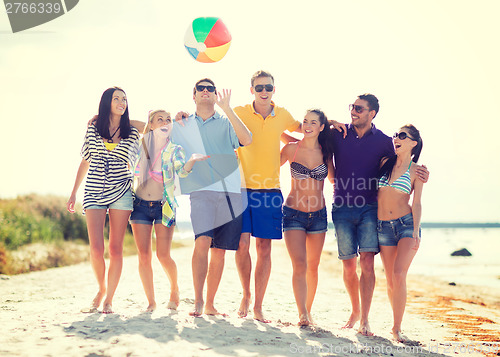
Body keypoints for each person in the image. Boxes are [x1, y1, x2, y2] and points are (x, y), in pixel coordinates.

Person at [327, 94, 429, 335]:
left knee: (377, 267)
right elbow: (314, 130)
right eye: (352, 107)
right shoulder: (338, 134)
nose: (354, 111)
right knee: (350, 266)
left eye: (359, 108)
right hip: (348, 209)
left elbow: (410, 183)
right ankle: (357, 311)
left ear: (372, 113)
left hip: (375, 213)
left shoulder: (384, 143)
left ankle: (374, 322)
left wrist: (421, 173)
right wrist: (330, 121)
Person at [173, 78, 252, 317]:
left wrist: (227, 108)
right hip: (201, 192)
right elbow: (156, 133)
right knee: (202, 242)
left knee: (219, 250)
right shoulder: (183, 125)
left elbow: (247, 140)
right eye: (201, 89)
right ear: (194, 95)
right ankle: (197, 301)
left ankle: (210, 304)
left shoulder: (226, 122)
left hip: (230, 192)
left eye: (210, 89)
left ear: (215, 95)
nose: (206, 91)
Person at [232, 70, 302, 322]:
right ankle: (246, 294)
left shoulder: (283, 114)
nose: (264, 91)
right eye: (259, 87)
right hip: (240, 188)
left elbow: (305, 129)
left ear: (274, 89)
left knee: (263, 248)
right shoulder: (239, 112)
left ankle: (258, 306)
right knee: (241, 244)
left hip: (270, 190)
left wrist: (335, 124)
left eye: (268, 87)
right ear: (251, 89)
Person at [67, 87, 140, 314]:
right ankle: (101, 288)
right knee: (96, 250)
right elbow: (85, 160)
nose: (122, 102)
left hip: (121, 191)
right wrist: (73, 192)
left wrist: (119, 116)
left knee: (115, 249)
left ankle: (109, 299)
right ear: (106, 102)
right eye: (116, 99)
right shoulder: (92, 129)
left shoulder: (133, 132)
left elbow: (154, 125)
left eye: (124, 99)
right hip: (94, 191)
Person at [130, 109, 208, 312]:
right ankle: (151, 301)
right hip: (139, 206)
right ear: (152, 125)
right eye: (160, 119)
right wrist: (100, 118)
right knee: (143, 256)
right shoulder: (141, 146)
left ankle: (174, 289)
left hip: (163, 207)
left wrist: (191, 160)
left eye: (167, 120)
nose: (165, 122)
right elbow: (127, 126)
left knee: (163, 255)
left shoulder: (175, 149)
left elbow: (182, 171)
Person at [280, 109, 333, 326]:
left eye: (313, 122)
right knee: (299, 264)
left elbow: (335, 179)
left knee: (313, 265)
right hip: (293, 214)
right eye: (305, 122)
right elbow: (266, 169)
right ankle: (301, 313)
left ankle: (308, 310)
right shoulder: (291, 149)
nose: (308, 125)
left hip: (318, 215)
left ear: (321, 127)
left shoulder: (326, 153)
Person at [377, 125, 423, 342]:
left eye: (402, 136)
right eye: (396, 135)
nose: (397, 138)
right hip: (383, 226)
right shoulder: (384, 163)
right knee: (389, 280)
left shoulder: (417, 170)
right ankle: (395, 323)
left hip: (406, 225)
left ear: (413, 143)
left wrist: (415, 231)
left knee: (398, 275)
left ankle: (396, 328)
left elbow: (417, 203)